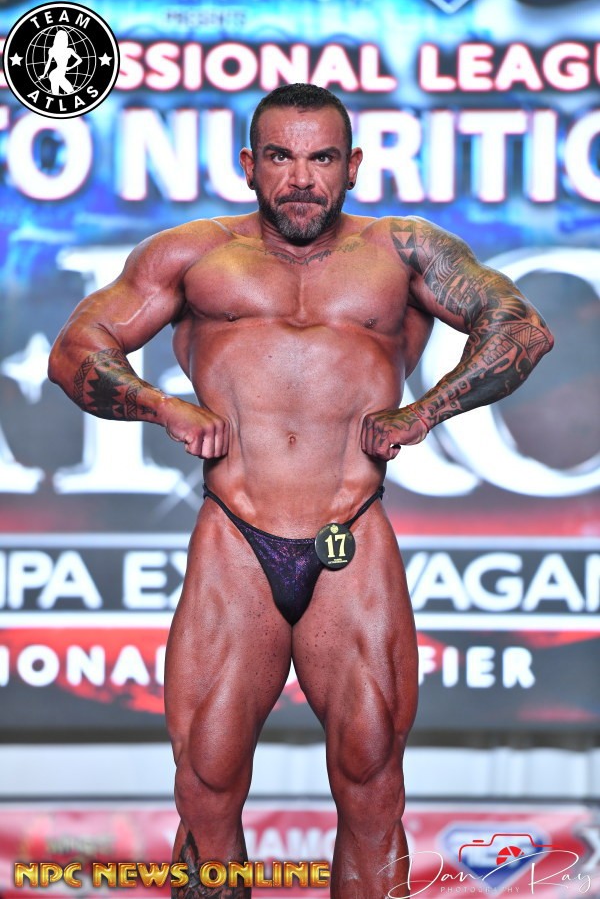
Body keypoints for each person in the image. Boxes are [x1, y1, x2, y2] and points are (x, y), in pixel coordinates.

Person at [48, 83, 554, 898]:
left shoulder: (401, 251)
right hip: (235, 535)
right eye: (281, 157)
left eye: (322, 158)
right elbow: (77, 348)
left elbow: (520, 327)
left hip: (349, 535)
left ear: (353, 166)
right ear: (249, 165)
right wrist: (160, 406)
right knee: (206, 783)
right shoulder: (193, 254)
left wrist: (424, 412)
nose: (301, 178)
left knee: (372, 780)